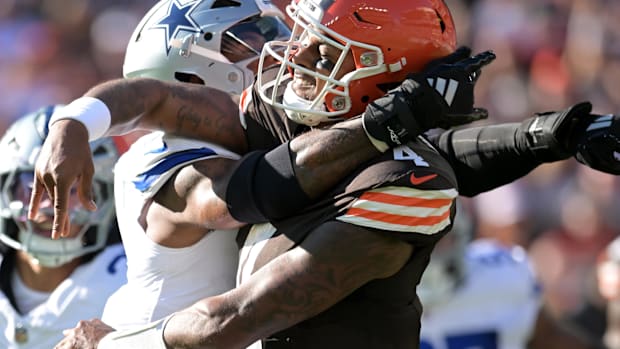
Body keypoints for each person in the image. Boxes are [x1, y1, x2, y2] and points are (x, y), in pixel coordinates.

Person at [42, 0, 620, 348]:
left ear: (380, 77)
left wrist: (554, 135)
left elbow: (233, 321)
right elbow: (176, 114)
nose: (289, 58)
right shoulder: (265, 124)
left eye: (323, 52)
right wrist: (74, 119)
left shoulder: (405, 187)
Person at [100, 0, 291, 329]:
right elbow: (233, 199)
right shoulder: (176, 159)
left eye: (276, 33)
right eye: (254, 41)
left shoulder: (245, 140)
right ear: (192, 76)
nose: (280, 51)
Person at [0, 105, 127, 348]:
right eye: (34, 188)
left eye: (72, 190)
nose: (51, 205)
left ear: (103, 198)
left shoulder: (127, 279)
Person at [418, 195, 604, 349]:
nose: (427, 249)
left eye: (439, 236)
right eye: (410, 238)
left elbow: (550, 338)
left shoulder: (501, 275)